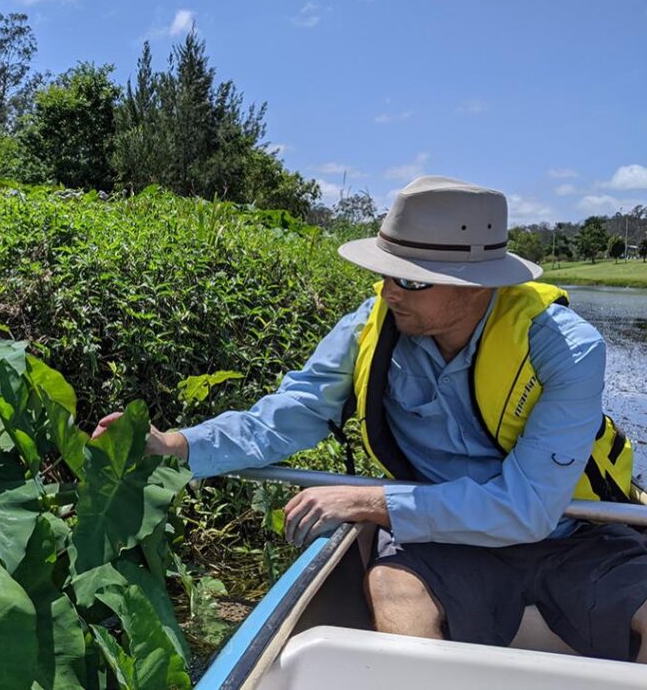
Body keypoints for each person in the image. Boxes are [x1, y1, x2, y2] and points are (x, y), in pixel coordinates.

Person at [92, 176, 647, 663]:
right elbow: (290, 415)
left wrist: (368, 502)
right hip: (443, 537)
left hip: (573, 530)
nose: (387, 292)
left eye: (409, 280)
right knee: (392, 589)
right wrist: (176, 444)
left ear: (477, 284)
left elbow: (528, 508)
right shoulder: (373, 325)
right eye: (386, 274)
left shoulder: (565, 348)